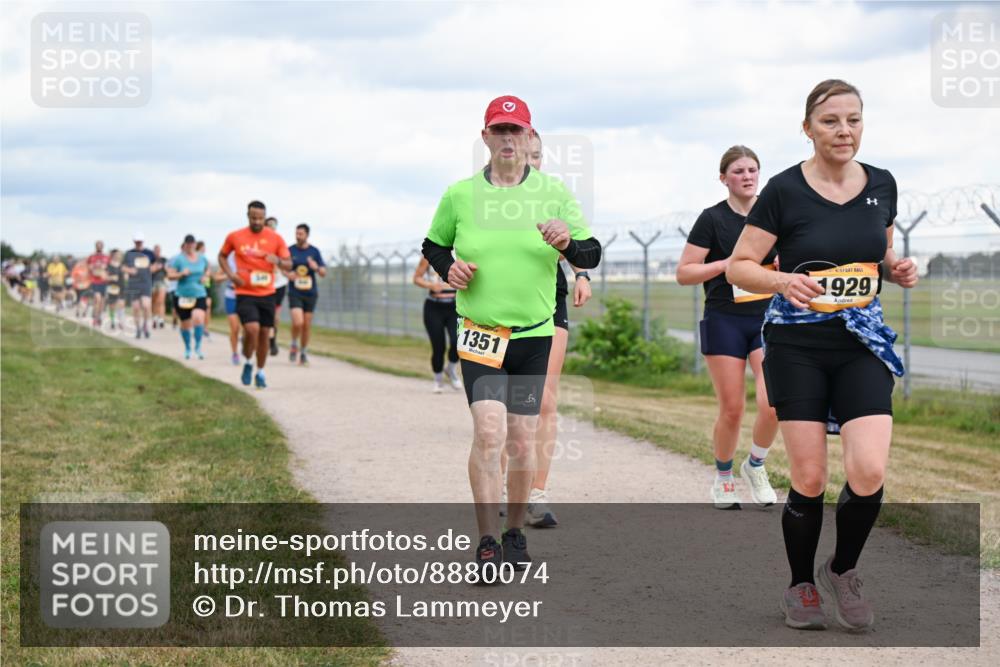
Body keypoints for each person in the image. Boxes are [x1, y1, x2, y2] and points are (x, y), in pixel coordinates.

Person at [727, 79, 919, 631]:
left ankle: (843, 568)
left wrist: (894, 268)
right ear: (808, 127)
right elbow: (741, 265)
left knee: (869, 467)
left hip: (861, 339)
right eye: (831, 120)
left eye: (854, 119)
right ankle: (800, 585)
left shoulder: (882, 184)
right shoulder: (785, 190)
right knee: (809, 478)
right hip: (797, 343)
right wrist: (782, 279)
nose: (844, 130)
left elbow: (876, 254)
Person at [421, 95, 601, 579]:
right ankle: (485, 540)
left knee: (521, 441)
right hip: (480, 333)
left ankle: (515, 531)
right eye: (498, 130)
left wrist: (568, 243)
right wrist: (449, 267)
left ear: (528, 137)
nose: (507, 139)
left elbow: (591, 252)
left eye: (515, 131)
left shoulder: (554, 193)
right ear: (485, 137)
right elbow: (434, 244)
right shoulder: (459, 195)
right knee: (489, 432)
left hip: (534, 335)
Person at [677, 146, 779, 510]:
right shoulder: (712, 219)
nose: (747, 176)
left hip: (767, 317)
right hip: (724, 319)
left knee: (773, 404)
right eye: (739, 171)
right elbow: (684, 272)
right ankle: (723, 478)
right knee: (732, 408)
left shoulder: (772, 216)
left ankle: (755, 465)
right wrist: (726, 265)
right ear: (724, 178)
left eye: (753, 169)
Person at [523, 131, 594, 528]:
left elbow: (576, 242)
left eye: (537, 156)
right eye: (524, 155)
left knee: (545, 401)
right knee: (505, 402)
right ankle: (504, 486)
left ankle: (536, 492)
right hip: (501, 311)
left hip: (550, 303)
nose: (531, 162)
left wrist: (582, 273)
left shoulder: (554, 197)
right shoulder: (486, 201)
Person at [219, 201, 291, 388]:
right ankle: (248, 361)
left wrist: (279, 261)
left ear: (265, 217)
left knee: (265, 334)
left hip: (267, 292)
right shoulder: (236, 236)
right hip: (245, 292)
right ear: (248, 216)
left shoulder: (275, 238)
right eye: (254, 218)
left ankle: (260, 371)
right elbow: (222, 256)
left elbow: (289, 263)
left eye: (260, 218)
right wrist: (231, 275)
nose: (257, 222)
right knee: (252, 329)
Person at [412, 256, 461, 392]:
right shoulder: (429, 257)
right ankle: (438, 380)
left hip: (454, 306)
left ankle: (450, 369)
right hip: (434, 307)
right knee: (438, 346)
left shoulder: (460, 254)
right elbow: (416, 278)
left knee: (458, 340)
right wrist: (430, 285)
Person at [286, 223, 327, 366]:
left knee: (306, 325)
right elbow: (281, 267)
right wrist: (288, 274)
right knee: (298, 322)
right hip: (294, 292)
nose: (298, 236)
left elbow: (323, 273)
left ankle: (303, 352)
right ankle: (293, 344)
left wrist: (316, 267)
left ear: (307, 235)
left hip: (310, 293)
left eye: (300, 234)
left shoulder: (314, 251)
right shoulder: (290, 250)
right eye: (296, 233)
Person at [167, 235, 210, 359]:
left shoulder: (202, 258)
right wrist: (181, 274)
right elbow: (170, 276)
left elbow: (207, 270)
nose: (191, 246)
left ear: (195, 244)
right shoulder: (179, 259)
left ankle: (198, 345)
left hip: (199, 294)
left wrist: (205, 277)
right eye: (188, 244)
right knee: (185, 324)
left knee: (198, 318)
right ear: (185, 245)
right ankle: (187, 347)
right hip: (183, 295)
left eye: (193, 244)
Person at [124, 233, 158, 339]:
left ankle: (145, 326)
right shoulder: (129, 253)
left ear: (143, 242)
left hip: (146, 282)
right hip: (134, 283)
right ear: (134, 242)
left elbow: (156, 265)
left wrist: (152, 269)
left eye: (140, 242)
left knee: (146, 305)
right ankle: (138, 328)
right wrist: (129, 270)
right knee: (136, 308)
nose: (138, 243)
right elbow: (123, 267)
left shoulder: (149, 253)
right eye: (137, 242)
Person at [265, 217, 289, 356]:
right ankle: (262, 338)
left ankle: (272, 340)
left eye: (274, 225)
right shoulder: (259, 243)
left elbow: (286, 262)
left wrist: (284, 269)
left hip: (279, 284)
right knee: (265, 314)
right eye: (269, 225)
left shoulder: (279, 243)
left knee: (275, 316)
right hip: (264, 284)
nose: (272, 228)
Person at [87, 241, 110, 327]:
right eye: (98, 245)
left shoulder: (106, 257)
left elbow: (109, 269)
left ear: (103, 247)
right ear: (95, 246)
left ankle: (99, 316)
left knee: (102, 302)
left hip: (103, 282)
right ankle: (95, 319)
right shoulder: (91, 256)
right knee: (98, 299)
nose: (99, 247)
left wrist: (106, 273)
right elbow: (87, 266)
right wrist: (91, 268)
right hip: (94, 281)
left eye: (101, 245)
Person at [195, 240, 214, 339]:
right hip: (197, 286)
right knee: (198, 308)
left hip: (206, 286)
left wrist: (206, 275)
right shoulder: (195, 259)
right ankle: (198, 327)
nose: (204, 249)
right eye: (203, 247)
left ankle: (206, 328)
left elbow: (209, 270)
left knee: (208, 307)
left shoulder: (206, 260)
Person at [105, 249, 126, 329]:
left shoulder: (122, 265)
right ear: (113, 256)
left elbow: (126, 275)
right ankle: (112, 321)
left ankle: (121, 321)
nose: (119, 256)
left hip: (121, 287)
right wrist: (111, 277)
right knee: (112, 306)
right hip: (112, 287)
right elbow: (105, 277)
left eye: (120, 255)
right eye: (117, 255)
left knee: (121, 305)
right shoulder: (109, 266)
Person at [151, 244, 168, 328]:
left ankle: (161, 319)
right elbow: (150, 270)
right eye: (156, 250)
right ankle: (154, 318)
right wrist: (156, 267)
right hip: (153, 282)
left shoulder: (164, 260)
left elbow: (168, 270)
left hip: (162, 282)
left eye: (158, 250)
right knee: (154, 301)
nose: (157, 252)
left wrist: (164, 267)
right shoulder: (151, 260)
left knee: (161, 301)